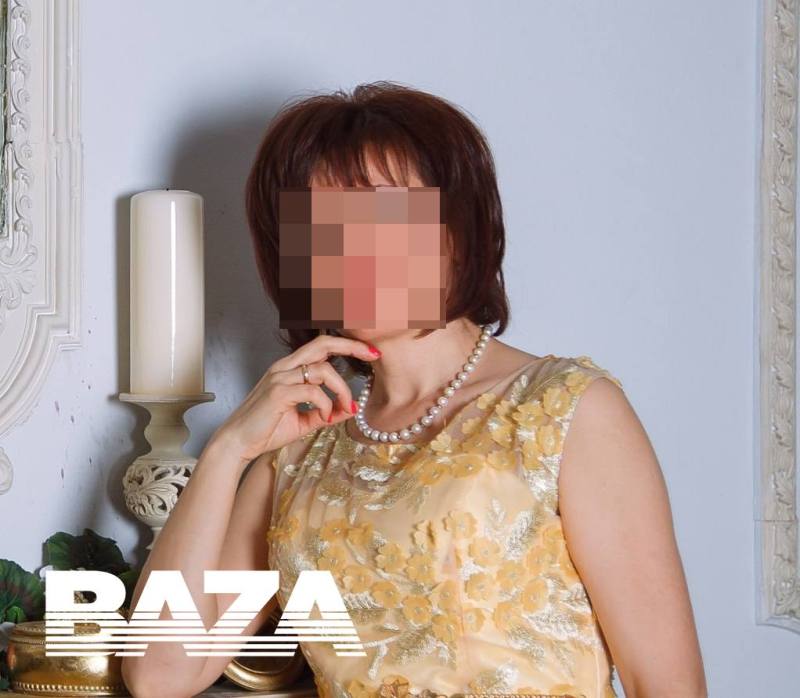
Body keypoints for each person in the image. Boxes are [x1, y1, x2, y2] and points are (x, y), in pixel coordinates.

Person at [121, 82, 707, 698]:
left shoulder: (567, 410)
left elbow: (667, 683)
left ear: (460, 230)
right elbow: (160, 675)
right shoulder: (297, 451)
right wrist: (227, 451)